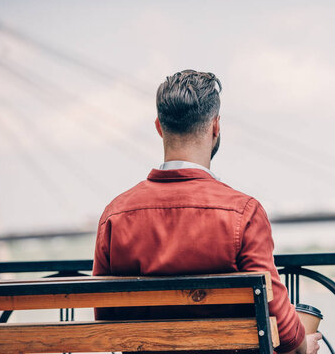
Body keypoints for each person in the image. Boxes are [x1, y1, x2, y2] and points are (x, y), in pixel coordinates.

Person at [93, 70, 322, 354]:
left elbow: (105, 321)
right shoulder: (244, 213)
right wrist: (302, 345)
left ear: (159, 127)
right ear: (215, 127)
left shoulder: (115, 216)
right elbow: (285, 333)